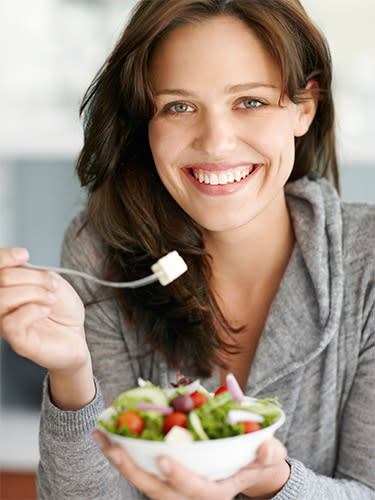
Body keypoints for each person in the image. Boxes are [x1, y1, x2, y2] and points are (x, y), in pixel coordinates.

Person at [1, 0, 374, 498]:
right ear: (146, 124)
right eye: (179, 106)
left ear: (304, 106)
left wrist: (275, 487)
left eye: (250, 102)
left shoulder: (366, 262)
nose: (216, 143)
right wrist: (72, 371)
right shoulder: (103, 252)